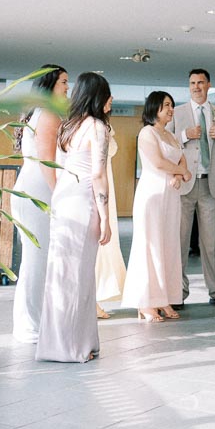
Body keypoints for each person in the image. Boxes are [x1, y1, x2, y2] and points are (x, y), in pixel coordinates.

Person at [37, 72, 114, 363]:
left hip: (63, 198)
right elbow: (98, 174)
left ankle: (60, 343)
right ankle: (73, 347)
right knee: (79, 275)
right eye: (107, 94)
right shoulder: (97, 127)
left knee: (60, 273)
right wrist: (105, 217)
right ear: (98, 96)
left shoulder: (69, 126)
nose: (111, 99)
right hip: (83, 200)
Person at [167, 68, 215, 307]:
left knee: (211, 243)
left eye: (200, 82)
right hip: (184, 184)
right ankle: (177, 292)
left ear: (209, 85)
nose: (196, 87)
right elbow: (165, 144)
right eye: (192, 83)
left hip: (211, 184)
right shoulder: (176, 113)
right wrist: (184, 135)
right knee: (180, 241)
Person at [121, 91, 191, 321]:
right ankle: (145, 302)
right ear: (154, 108)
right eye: (166, 105)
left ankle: (164, 298)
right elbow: (159, 162)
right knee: (150, 246)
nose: (171, 109)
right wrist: (182, 172)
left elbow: (181, 160)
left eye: (172, 105)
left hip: (171, 196)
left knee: (168, 246)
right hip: (152, 195)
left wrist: (179, 175)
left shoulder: (171, 135)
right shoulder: (147, 133)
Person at [11, 64, 67, 344]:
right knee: (37, 260)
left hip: (29, 187)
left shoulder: (36, 112)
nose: (67, 87)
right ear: (50, 84)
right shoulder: (48, 113)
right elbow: (47, 160)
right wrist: (59, 195)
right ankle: (31, 325)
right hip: (38, 190)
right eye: (63, 82)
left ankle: (30, 322)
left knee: (34, 259)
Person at [94, 130, 128, 319]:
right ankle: (90, 299)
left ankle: (94, 297)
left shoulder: (104, 126)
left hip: (107, 185)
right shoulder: (93, 126)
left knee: (106, 243)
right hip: (97, 186)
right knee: (98, 242)